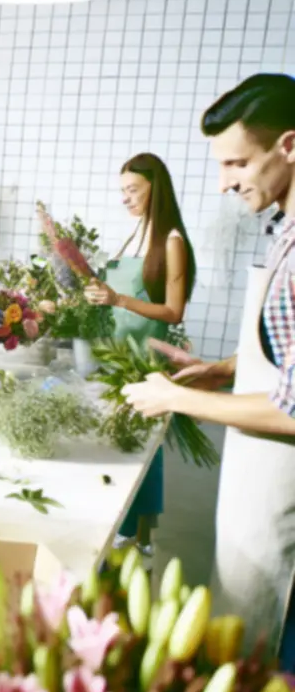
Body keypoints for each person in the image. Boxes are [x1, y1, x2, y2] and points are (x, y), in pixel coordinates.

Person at [124, 74, 295, 656]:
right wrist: (226, 368)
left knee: (266, 659)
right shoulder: (282, 233)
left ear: (289, 146)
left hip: (283, 493)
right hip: (255, 477)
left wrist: (175, 398)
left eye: (237, 164)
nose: (224, 184)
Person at [84, 154, 197, 553]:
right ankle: (134, 529)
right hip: (115, 354)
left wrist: (120, 299)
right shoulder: (132, 237)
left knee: (140, 447)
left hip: (145, 358)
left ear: (156, 189)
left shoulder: (172, 242)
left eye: (133, 190)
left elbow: (173, 310)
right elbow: (115, 297)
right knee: (126, 442)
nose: (126, 199)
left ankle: (136, 530)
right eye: (123, 191)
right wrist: (98, 297)